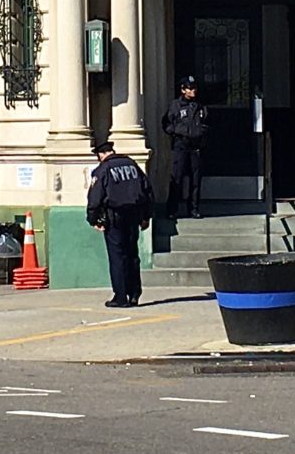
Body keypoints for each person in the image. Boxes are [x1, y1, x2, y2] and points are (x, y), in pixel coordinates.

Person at [84, 136, 152, 308]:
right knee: (132, 255)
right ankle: (135, 294)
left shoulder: (103, 169)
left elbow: (95, 198)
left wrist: (93, 219)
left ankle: (120, 296)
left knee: (118, 257)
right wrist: (146, 216)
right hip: (134, 215)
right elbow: (147, 191)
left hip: (114, 217)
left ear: (101, 155)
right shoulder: (132, 165)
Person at [161, 77, 208, 219]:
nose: (193, 91)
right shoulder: (176, 105)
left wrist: (202, 132)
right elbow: (166, 123)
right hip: (180, 145)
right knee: (177, 178)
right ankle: (172, 210)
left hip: (196, 146)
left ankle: (193, 209)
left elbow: (206, 121)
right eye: (190, 88)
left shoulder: (199, 106)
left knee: (195, 180)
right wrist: (176, 131)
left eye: (194, 88)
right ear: (183, 89)